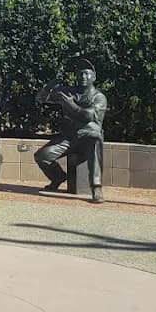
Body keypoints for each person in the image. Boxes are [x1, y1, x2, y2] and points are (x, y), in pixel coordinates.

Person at [34, 58, 107, 204]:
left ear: (94, 77)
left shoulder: (99, 97)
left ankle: (96, 187)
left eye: (87, 73)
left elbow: (89, 116)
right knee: (42, 156)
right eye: (80, 73)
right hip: (69, 137)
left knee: (95, 141)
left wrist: (71, 105)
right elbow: (41, 98)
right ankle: (58, 177)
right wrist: (49, 87)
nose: (83, 77)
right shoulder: (68, 92)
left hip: (88, 137)